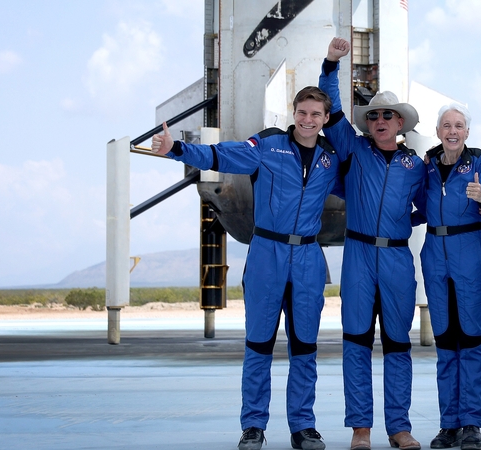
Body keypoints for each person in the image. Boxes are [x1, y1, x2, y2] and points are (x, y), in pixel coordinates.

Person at [151, 86, 342, 450]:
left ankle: (303, 426)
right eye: (302, 112)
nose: (307, 119)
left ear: (325, 119)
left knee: (305, 347)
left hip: (307, 260)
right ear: (294, 112)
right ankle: (253, 425)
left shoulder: (331, 159)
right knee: (259, 345)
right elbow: (224, 156)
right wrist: (177, 150)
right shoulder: (269, 145)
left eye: (316, 115)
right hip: (266, 255)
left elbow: (367, 188)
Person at [319, 37, 426, 450]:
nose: (381, 120)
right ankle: (360, 429)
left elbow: (430, 207)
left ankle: (399, 428)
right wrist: (331, 64)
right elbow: (332, 112)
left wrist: (403, 221)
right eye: (375, 115)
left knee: (398, 344)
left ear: (401, 124)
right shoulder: (353, 149)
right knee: (357, 341)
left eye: (389, 115)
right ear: (369, 123)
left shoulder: (416, 167)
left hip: (398, 257)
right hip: (359, 254)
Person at [418, 103, 481, 450]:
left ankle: (471, 423)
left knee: (469, 340)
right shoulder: (427, 166)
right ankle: (448, 424)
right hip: (435, 253)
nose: (452, 131)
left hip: (470, 250)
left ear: (467, 132)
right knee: (444, 341)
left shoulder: (480, 162)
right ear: (438, 131)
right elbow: (417, 210)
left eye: (459, 126)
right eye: (446, 125)